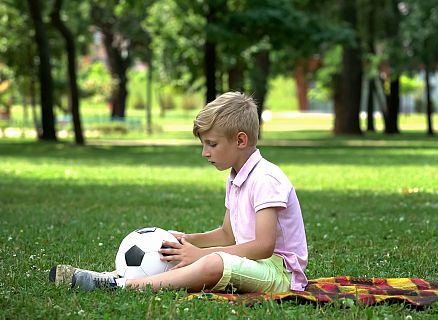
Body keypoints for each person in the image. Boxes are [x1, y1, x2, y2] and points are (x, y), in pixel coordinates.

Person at [49, 92, 308, 293]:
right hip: (254, 264)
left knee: (212, 263)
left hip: (280, 274)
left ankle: (123, 287)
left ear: (240, 141)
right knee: (181, 254)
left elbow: (264, 246)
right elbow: (228, 234)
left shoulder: (266, 178)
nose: (205, 152)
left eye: (212, 144)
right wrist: (188, 240)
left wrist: (201, 254)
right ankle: (110, 277)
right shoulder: (237, 176)